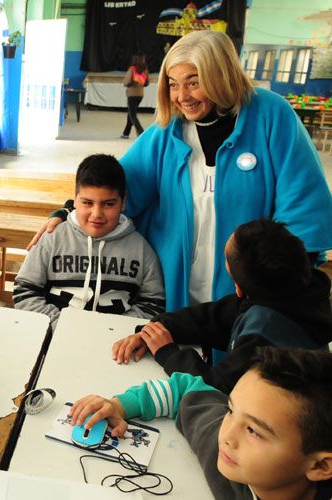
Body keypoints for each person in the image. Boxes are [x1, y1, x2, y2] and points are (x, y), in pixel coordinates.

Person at [28, 30, 332, 314]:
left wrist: (282, 284)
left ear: (220, 76)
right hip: (174, 284)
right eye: (173, 84)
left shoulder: (270, 114)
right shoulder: (168, 131)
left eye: (194, 82)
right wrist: (67, 211)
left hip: (251, 289)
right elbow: (117, 186)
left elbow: (303, 203)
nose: (182, 96)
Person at [71, 347, 332, 500]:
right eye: (230, 410)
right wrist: (120, 405)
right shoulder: (224, 445)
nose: (227, 435)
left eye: (253, 431)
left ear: (321, 465)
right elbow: (184, 390)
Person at [111, 218, 332, 394]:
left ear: (239, 289)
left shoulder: (265, 337)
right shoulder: (292, 288)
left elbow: (218, 388)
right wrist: (158, 328)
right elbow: (212, 316)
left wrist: (168, 354)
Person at [13, 154, 165, 328]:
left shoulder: (141, 249)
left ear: (123, 202)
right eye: (87, 203)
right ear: (75, 200)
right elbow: (24, 291)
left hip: (116, 346)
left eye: (108, 204)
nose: (97, 214)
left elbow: (153, 303)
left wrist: (117, 332)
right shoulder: (52, 238)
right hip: (54, 338)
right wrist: (59, 327)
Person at [120, 53, 149, 139]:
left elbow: (126, 82)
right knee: (131, 113)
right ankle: (126, 133)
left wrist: (129, 83)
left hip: (132, 94)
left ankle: (141, 132)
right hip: (140, 95)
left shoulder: (132, 69)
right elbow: (146, 83)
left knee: (132, 115)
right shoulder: (145, 70)